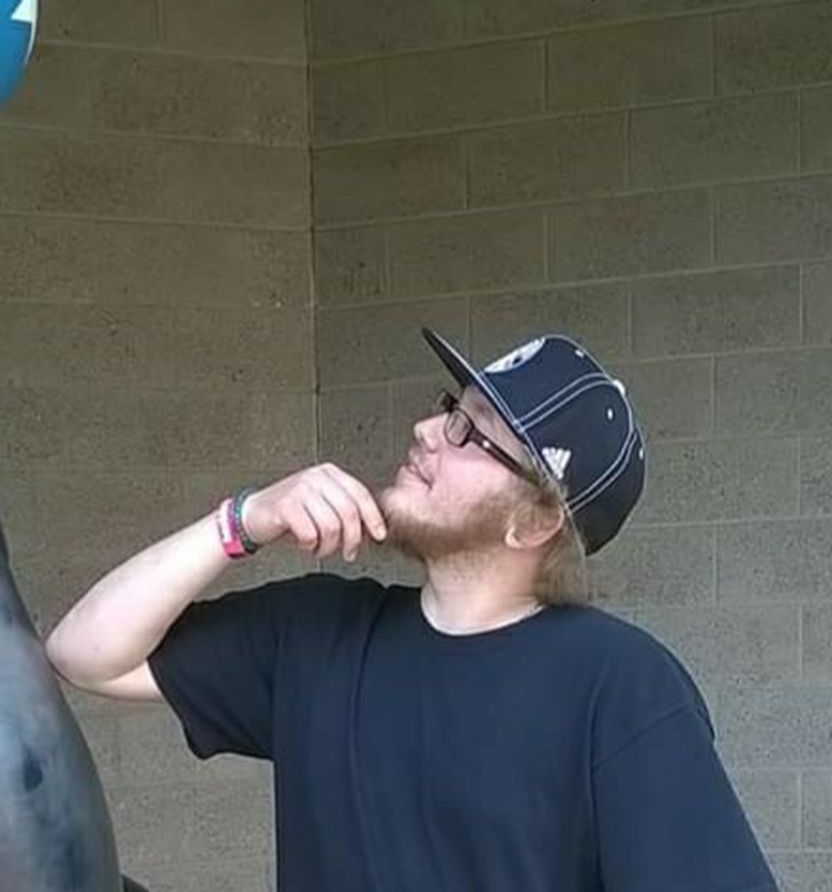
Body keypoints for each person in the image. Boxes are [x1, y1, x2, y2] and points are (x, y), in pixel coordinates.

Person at [45, 327, 778, 891]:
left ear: (534, 523)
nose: (430, 432)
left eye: (471, 432)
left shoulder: (619, 686)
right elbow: (84, 653)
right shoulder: (319, 633)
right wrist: (245, 519)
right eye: (450, 408)